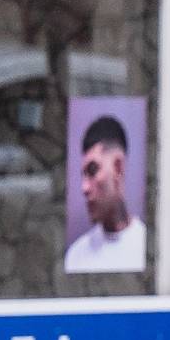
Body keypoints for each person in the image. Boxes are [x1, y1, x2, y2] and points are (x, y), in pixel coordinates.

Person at [63, 114, 145, 273]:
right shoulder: (75, 257)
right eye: (83, 175)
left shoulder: (146, 248)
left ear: (118, 168)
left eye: (93, 170)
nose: (84, 188)